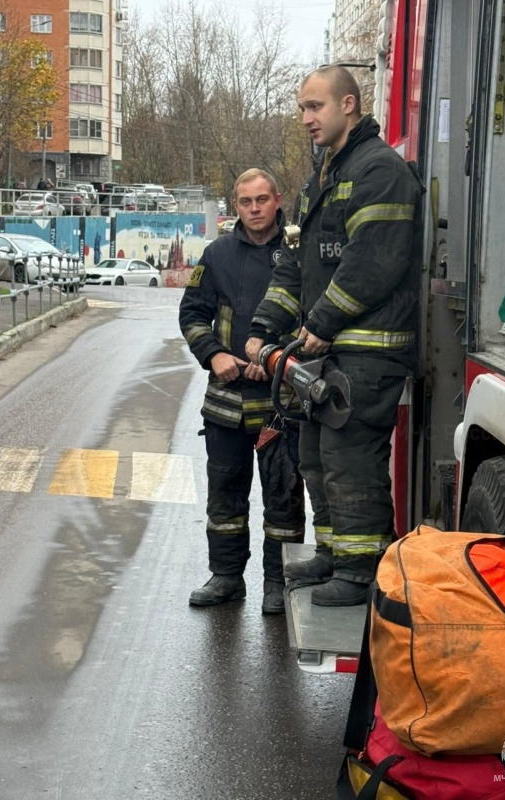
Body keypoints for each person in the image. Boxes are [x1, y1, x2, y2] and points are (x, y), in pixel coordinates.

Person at [246, 66, 424, 607]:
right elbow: (295, 265)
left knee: (350, 458)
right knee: (316, 454)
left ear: (349, 104)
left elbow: (372, 264)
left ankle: (361, 570)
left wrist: (320, 326)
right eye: (301, 108)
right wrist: (261, 329)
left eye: (315, 107)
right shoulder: (323, 175)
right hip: (334, 353)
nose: (305, 119)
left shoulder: (379, 171)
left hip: (369, 351)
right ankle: (332, 552)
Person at [179, 168, 305, 613]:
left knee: (284, 497)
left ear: (277, 200)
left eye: (262, 200)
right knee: (226, 496)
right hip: (226, 401)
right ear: (236, 206)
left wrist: (276, 361)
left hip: (281, 399)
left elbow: (311, 319)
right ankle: (227, 578)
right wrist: (214, 354)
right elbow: (192, 314)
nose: (255, 209)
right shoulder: (216, 254)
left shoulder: (298, 253)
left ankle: (279, 583)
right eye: (246, 202)